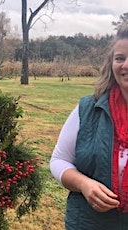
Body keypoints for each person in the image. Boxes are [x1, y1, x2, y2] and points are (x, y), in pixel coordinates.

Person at [50, 22, 128, 229]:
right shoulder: (88, 109)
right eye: (120, 58)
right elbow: (59, 160)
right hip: (89, 222)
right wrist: (84, 184)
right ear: (111, 64)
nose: (126, 65)